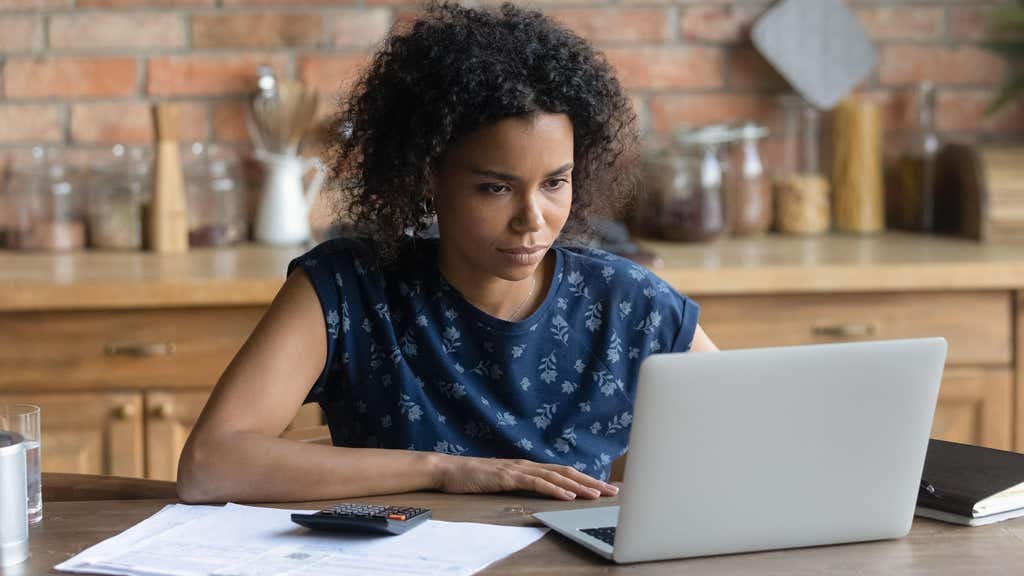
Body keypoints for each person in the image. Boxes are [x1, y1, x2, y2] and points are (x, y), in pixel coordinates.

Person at [177, 0, 717, 505]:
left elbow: (754, 436)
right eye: (495, 188)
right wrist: (443, 470)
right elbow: (210, 465)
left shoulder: (628, 301)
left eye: (555, 183)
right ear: (428, 175)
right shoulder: (347, 288)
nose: (533, 218)